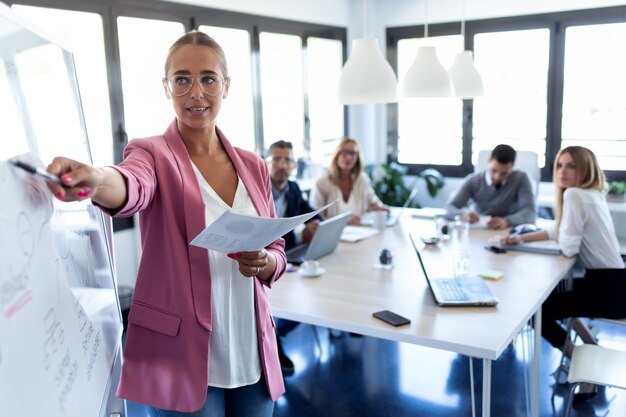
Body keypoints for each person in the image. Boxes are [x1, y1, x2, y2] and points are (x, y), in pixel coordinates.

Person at [46, 31, 287, 417]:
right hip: (185, 355)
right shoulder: (151, 153)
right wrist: (95, 178)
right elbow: (131, 184)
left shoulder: (254, 165)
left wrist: (268, 263)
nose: (196, 92)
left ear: (226, 86)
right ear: (166, 86)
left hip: (251, 349)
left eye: (208, 78)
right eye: (182, 79)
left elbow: (276, 247)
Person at [503, 146, 626, 400]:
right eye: (559, 165)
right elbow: (559, 230)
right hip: (614, 284)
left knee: (536, 312)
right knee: (556, 299)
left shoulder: (574, 195)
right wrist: (523, 237)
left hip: (608, 290)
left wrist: (540, 244)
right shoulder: (592, 193)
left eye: (571, 166)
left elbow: (568, 247)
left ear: (584, 169)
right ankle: (590, 348)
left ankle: (584, 368)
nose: (562, 171)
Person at [267, 140, 320, 376]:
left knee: (310, 300)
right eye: (276, 159)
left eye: (287, 160)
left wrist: (315, 224)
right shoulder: (257, 189)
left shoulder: (294, 189)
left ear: (294, 164)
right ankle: (273, 345)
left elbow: (313, 214)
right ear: (267, 163)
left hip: (291, 259)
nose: (282, 165)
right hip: (266, 260)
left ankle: (276, 335)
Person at [445, 144, 536, 229]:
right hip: (479, 229)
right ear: (488, 161)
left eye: (503, 173)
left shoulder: (521, 178)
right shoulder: (473, 180)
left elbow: (530, 212)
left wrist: (507, 221)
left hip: (508, 231)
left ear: (512, 167)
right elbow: (450, 207)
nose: (497, 177)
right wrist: (462, 215)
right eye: (494, 170)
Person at [309, 137, 387, 225]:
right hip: (333, 234)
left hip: (360, 232)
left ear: (357, 157)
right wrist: (345, 221)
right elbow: (316, 217)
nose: (349, 157)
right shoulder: (322, 183)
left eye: (353, 153)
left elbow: (373, 201)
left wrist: (382, 208)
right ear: (337, 154)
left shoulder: (362, 180)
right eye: (345, 152)